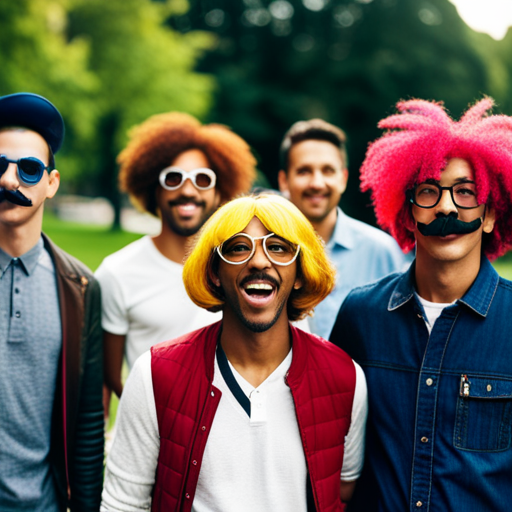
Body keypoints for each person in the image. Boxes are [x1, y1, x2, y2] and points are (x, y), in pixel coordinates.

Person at [101, 193, 368, 512]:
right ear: (214, 273)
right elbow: (123, 504)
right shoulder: (155, 374)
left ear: (300, 273)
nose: (258, 261)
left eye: (279, 247)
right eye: (239, 247)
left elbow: (345, 492)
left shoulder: (346, 378)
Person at [330, 97, 512, 511]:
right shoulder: (361, 316)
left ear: (489, 215)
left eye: (465, 192)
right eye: (429, 191)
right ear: (409, 213)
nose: (447, 206)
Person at [95, 112, 256, 398]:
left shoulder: (243, 269)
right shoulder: (117, 272)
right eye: (173, 178)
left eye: (202, 179)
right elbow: (105, 381)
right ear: (153, 190)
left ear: (220, 193)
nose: (187, 190)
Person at [0, 92, 103, 510]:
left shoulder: (80, 287)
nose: (9, 181)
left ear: (51, 183)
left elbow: (88, 422)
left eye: (28, 169)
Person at [278, 119, 406, 338]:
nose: (317, 183)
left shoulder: (381, 252)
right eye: (304, 171)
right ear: (284, 181)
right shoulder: (264, 253)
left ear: (343, 178)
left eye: (328, 171)